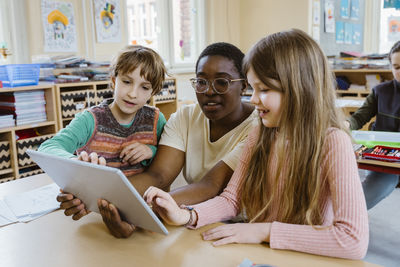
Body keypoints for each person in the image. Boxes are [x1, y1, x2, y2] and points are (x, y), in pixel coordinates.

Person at [143, 29, 369, 259]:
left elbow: (353, 239)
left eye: (264, 89)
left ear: (299, 88)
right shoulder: (260, 134)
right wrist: (187, 216)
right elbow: (231, 200)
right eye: (253, 88)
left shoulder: (333, 142)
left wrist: (263, 231)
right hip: (264, 255)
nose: (252, 99)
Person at [56, 42, 258, 238]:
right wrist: (93, 197)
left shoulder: (258, 126)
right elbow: (158, 176)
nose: (209, 91)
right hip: (191, 221)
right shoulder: (184, 118)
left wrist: (136, 212)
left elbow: (211, 186)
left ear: (244, 86)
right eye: (202, 82)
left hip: (244, 227)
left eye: (222, 82)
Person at [39, 45, 167, 217]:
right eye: (127, 82)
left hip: (141, 208)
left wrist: (151, 151)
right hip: (97, 210)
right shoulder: (89, 120)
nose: (133, 94)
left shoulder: (156, 120)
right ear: (114, 81)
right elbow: (48, 148)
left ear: (153, 91)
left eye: (144, 87)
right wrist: (77, 162)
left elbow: (169, 160)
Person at [345, 41, 400, 210]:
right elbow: (359, 117)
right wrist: (346, 124)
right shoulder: (380, 91)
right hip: (385, 161)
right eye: (396, 67)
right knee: (357, 206)